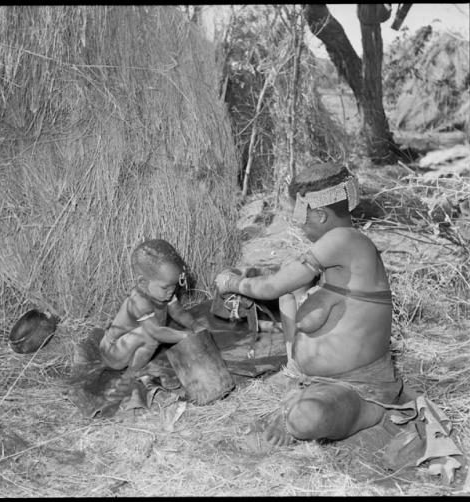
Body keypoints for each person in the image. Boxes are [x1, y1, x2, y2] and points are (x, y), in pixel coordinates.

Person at [215, 161, 404, 446]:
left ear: (321, 215)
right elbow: (285, 285)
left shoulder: (343, 240)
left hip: (358, 386)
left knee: (305, 419)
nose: (301, 226)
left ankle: (367, 410)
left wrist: (231, 283)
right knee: (291, 288)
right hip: (315, 380)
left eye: (304, 219)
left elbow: (271, 286)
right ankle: (295, 373)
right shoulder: (341, 250)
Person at [99, 238, 208, 401]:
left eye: (174, 286)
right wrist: (185, 336)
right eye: (166, 287)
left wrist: (194, 325)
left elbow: (178, 312)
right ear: (143, 283)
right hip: (113, 352)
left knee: (170, 334)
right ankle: (129, 375)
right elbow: (155, 332)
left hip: (131, 347)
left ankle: (137, 366)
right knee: (151, 336)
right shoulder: (139, 300)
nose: (171, 291)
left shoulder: (164, 294)